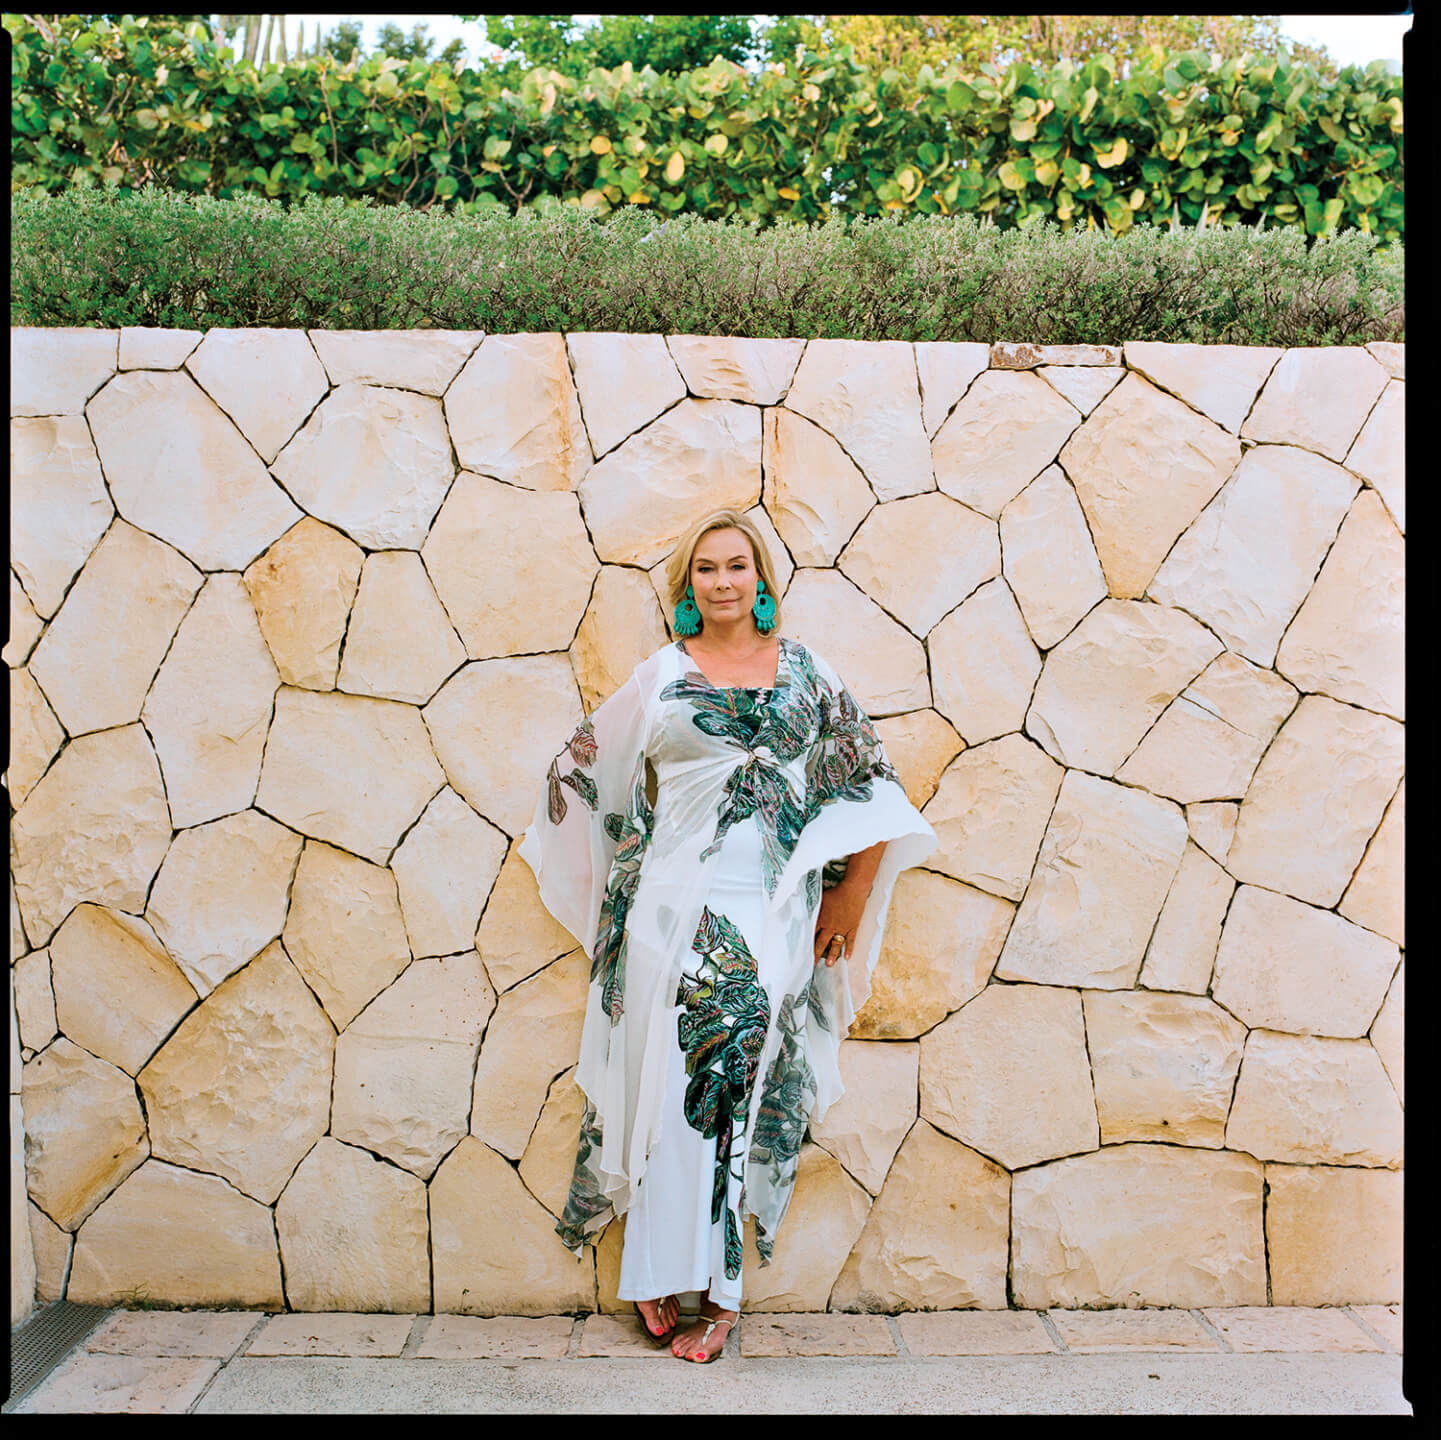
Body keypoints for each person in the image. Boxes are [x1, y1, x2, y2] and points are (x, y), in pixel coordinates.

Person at [517, 508, 937, 1362]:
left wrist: (848, 898)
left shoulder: (808, 675)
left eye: (736, 566)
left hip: (768, 910)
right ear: (687, 589)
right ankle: (659, 1274)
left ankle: (724, 1291)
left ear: (762, 581)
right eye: (704, 569)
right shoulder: (663, 676)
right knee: (669, 1090)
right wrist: (627, 871)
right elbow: (582, 772)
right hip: (667, 911)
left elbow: (874, 789)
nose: (721, 581)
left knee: (734, 1079)